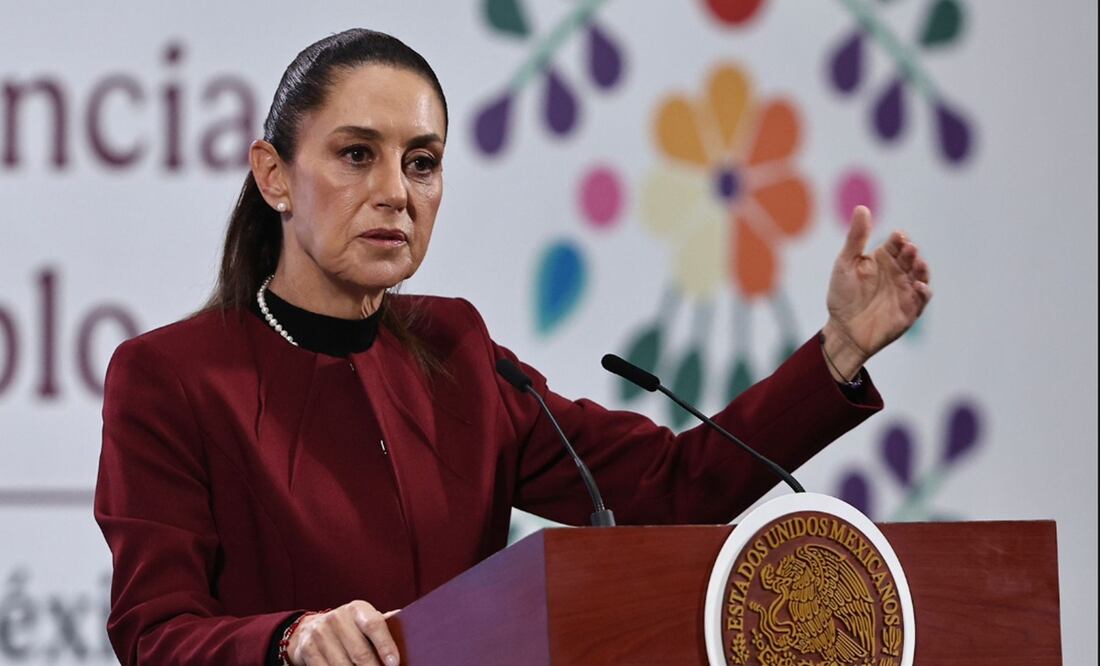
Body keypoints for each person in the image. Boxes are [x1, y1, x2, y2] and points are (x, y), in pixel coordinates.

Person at [94, 29, 931, 666]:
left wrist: (837, 352)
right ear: (274, 175)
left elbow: (673, 487)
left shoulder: (456, 350)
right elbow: (154, 631)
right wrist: (290, 640)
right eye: (356, 155)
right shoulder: (172, 377)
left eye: (421, 163)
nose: (395, 193)